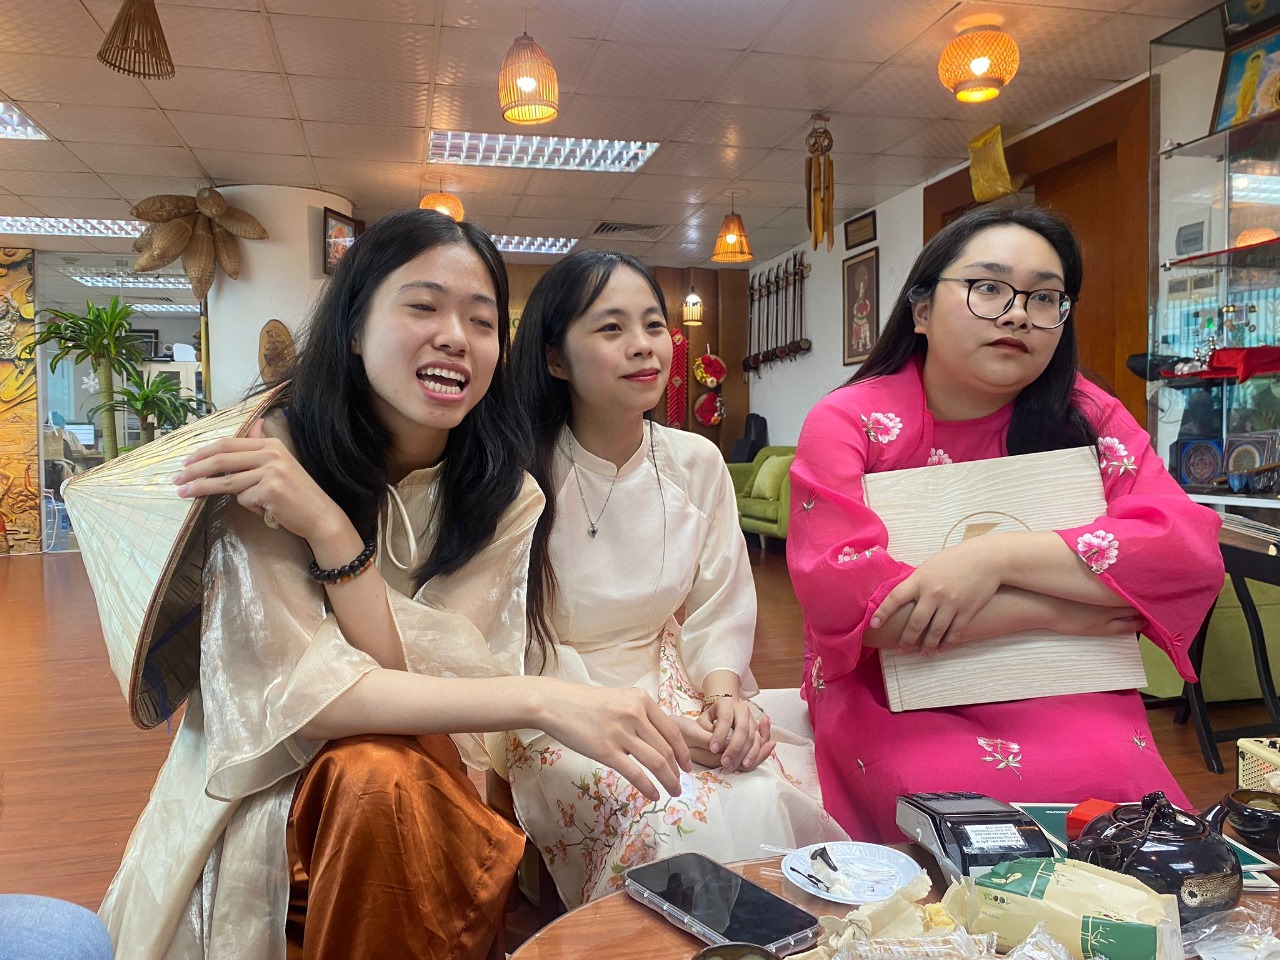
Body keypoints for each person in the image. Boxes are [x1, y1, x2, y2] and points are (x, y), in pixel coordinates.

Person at [95, 212, 690, 960]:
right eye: (423, 307)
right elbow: (303, 698)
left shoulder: (506, 494)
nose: (455, 337)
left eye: (481, 321)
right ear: (353, 326)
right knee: (375, 774)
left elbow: (432, 686)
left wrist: (332, 536)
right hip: (262, 788)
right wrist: (544, 699)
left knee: (387, 772)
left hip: (419, 768)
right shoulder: (268, 456)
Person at [788, 205, 1224, 842]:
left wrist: (991, 560)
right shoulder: (851, 421)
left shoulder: (1086, 414)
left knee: (1121, 796)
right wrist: (1057, 610)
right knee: (955, 809)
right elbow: (861, 609)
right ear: (920, 310)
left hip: (1064, 680)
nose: (1018, 314)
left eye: (1045, 298)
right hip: (895, 691)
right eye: (988, 288)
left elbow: (1185, 554)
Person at [506, 250, 847, 907]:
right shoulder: (519, 472)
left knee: (754, 785)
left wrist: (723, 695)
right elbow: (509, 637)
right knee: (668, 810)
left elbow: (721, 597)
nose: (643, 346)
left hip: (666, 669)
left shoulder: (695, 461)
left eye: (654, 325)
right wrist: (645, 726)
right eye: (611, 328)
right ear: (555, 359)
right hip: (558, 697)